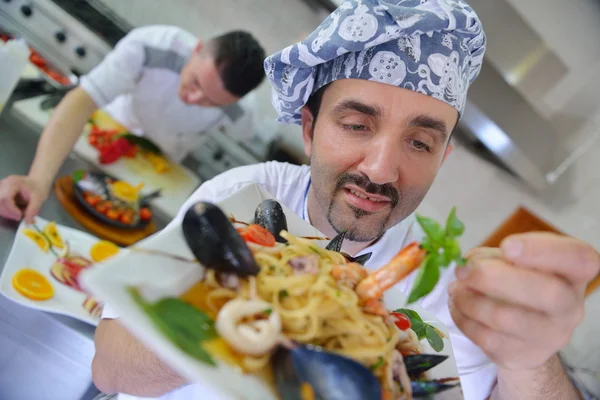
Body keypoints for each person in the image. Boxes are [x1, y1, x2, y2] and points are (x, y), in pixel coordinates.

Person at [91, 2, 600, 400]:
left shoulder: (450, 290)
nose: (381, 169)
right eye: (357, 125)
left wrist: (531, 359)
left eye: (420, 142)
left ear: (442, 158)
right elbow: (109, 367)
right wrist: (251, 315)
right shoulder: (243, 195)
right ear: (309, 129)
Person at [0, 25, 266, 224]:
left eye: (211, 102)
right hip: (105, 136)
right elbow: (82, 101)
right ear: (196, 49)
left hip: (159, 167)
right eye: (196, 82)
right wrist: (37, 180)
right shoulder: (150, 45)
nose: (193, 99)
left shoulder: (241, 112)